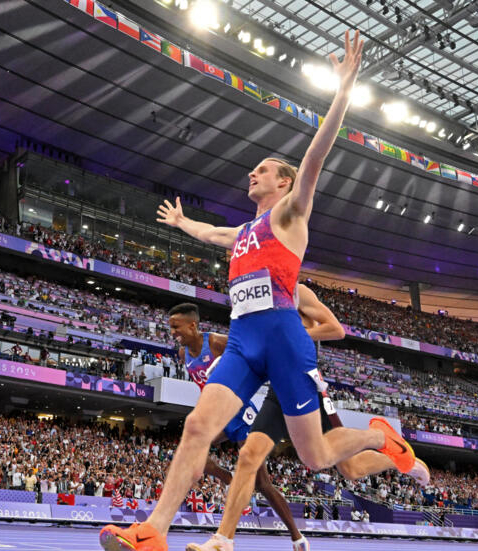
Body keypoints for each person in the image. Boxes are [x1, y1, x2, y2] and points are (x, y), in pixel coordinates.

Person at [100, 30, 414, 551]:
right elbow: (210, 232)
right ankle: (153, 531)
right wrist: (181, 223)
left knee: (315, 455)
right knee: (198, 425)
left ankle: (380, 436)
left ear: (284, 184)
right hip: (245, 339)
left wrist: (343, 92)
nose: (253, 173)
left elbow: (315, 156)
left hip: (284, 336)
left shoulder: (290, 215)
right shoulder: (243, 232)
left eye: (262, 170)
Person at [188, 284, 429, 550]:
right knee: (248, 457)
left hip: (306, 385)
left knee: (350, 469)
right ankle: (222, 539)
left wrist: (295, 335)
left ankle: (386, 443)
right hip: (278, 388)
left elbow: (335, 329)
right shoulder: (256, 298)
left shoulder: (297, 291)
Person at [166, 302, 305, 550]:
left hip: (241, 413)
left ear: (193, 325)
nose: (173, 333)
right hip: (219, 416)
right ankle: (233, 482)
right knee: (192, 452)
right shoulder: (181, 354)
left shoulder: (217, 343)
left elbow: (253, 357)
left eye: (176, 327)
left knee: (263, 484)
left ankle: (298, 538)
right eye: (170, 328)